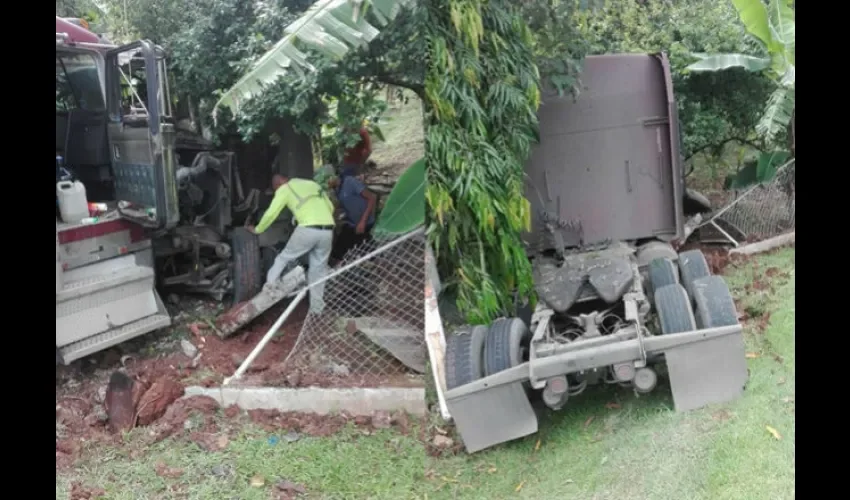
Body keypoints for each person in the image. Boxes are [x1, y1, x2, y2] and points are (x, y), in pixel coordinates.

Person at [249, 174, 335, 314]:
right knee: (318, 271)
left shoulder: (285, 189)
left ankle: (269, 287)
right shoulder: (312, 184)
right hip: (327, 230)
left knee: (284, 257)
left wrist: (258, 229)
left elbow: (271, 213)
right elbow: (330, 207)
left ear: (277, 185)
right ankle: (317, 309)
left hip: (307, 228)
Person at [328, 165, 378, 262]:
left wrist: (363, 221)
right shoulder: (336, 190)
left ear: (333, 177)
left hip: (364, 221)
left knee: (364, 246)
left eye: (327, 181)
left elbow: (371, 198)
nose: (327, 184)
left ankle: (376, 263)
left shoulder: (350, 182)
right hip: (352, 223)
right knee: (341, 247)